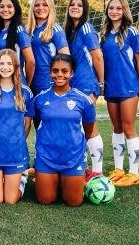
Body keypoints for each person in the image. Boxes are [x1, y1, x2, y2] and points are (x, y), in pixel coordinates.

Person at [32, 54, 96, 206]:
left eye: (64, 71)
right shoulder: (40, 99)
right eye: (55, 71)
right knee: (45, 199)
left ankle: (74, 177)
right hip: (46, 157)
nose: (59, 74)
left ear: (71, 73)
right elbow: (37, 124)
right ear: (50, 72)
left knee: (73, 202)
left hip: (73, 158)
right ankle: (45, 176)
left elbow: (88, 129)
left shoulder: (83, 100)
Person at [100, 0, 139, 187]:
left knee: (128, 128)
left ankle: (134, 173)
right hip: (112, 88)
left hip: (128, 87)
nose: (114, 11)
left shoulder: (132, 32)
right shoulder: (104, 34)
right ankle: (118, 169)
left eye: (118, 8)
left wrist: (138, 87)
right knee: (116, 128)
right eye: (111, 8)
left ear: (124, 10)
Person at [0, 49, 34, 204]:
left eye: (9, 63)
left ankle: (21, 176)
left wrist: (15, 141)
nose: (5, 67)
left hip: (15, 151)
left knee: (10, 200)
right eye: (2, 63)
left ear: (16, 66)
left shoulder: (25, 92)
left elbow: (27, 125)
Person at [64, 0, 106, 180]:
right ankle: (82, 168)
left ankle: (97, 170)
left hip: (87, 84)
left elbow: (97, 57)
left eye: (80, 5)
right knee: (77, 127)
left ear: (85, 9)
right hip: (73, 85)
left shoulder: (86, 28)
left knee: (89, 126)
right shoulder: (68, 30)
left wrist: (100, 83)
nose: (75, 7)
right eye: (72, 4)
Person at [27, 0, 69, 96]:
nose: (40, 8)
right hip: (31, 82)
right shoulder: (28, 30)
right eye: (37, 5)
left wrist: (59, 81)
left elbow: (66, 58)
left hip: (49, 83)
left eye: (45, 5)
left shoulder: (54, 29)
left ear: (50, 7)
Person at [0, 0, 35, 87]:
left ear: (15, 9)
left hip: (17, 82)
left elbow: (31, 61)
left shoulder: (19, 30)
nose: (5, 10)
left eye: (9, 6)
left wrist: (26, 84)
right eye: (2, 7)